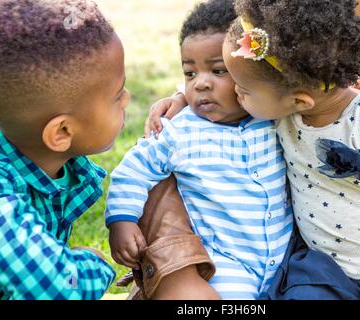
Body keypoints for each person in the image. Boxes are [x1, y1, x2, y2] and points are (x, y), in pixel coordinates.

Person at [138, 0, 360, 299]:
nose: (234, 92)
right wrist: (185, 97)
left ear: (300, 101)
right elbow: (234, 63)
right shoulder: (282, 104)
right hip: (320, 270)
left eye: (240, 90)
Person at [105, 0, 293, 300]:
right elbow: (133, 170)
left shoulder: (273, 119)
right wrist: (121, 220)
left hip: (286, 258)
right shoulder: (180, 131)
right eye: (189, 74)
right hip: (225, 263)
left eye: (218, 71)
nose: (201, 84)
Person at [0, 0, 126, 299]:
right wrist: (93, 262)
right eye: (117, 95)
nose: (127, 100)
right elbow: (56, 286)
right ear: (63, 132)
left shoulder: (50, 160)